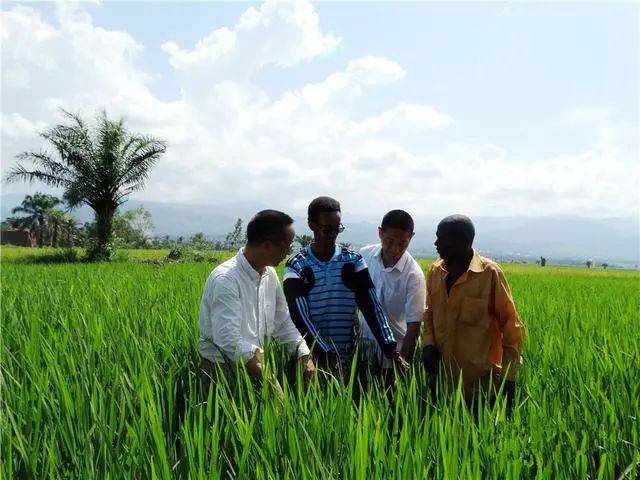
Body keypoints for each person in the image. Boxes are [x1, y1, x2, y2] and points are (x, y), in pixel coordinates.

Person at [283, 196, 409, 377]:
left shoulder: (353, 261)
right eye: (327, 230)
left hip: (347, 359)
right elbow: (300, 318)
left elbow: (371, 307)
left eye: (337, 229)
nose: (333, 235)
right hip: (311, 361)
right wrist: (326, 353)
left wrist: (392, 350)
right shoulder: (297, 266)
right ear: (311, 225)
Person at [198, 210, 315, 392]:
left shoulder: (269, 274)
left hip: (255, 368)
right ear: (267, 245)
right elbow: (228, 340)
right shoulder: (226, 279)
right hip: (222, 373)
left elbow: (282, 322)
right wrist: (268, 379)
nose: (289, 252)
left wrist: (303, 353)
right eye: (288, 246)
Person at [422, 214, 526, 408]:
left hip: (480, 388)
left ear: (461, 241)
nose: (436, 243)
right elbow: (429, 312)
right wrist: (428, 344)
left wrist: (509, 379)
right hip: (440, 383)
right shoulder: (435, 272)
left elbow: (511, 327)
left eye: (441, 238)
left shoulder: (490, 274)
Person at [359, 210, 426, 376]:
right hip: (361, 353)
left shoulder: (413, 275)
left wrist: (402, 363)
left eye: (402, 243)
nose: (395, 249)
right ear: (380, 233)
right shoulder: (364, 256)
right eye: (389, 241)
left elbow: (414, 326)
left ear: (411, 237)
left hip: (393, 358)